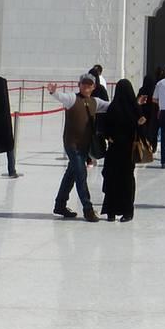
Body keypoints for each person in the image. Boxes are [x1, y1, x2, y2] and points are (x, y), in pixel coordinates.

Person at [47, 74, 109, 222]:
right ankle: (88, 209)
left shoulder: (95, 102)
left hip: (84, 146)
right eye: (84, 84)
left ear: (94, 87)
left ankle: (60, 205)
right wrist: (53, 92)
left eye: (89, 84)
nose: (86, 87)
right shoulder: (72, 99)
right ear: (79, 85)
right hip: (72, 145)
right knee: (81, 175)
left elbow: (112, 106)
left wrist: (134, 103)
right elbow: (61, 97)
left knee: (71, 175)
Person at [100, 78, 145, 222]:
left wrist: (109, 137)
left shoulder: (112, 108)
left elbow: (104, 128)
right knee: (127, 181)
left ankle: (111, 211)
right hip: (128, 151)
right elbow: (141, 129)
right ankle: (127, 212)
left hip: (114, 150)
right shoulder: (135, 109)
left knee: (112, 179)